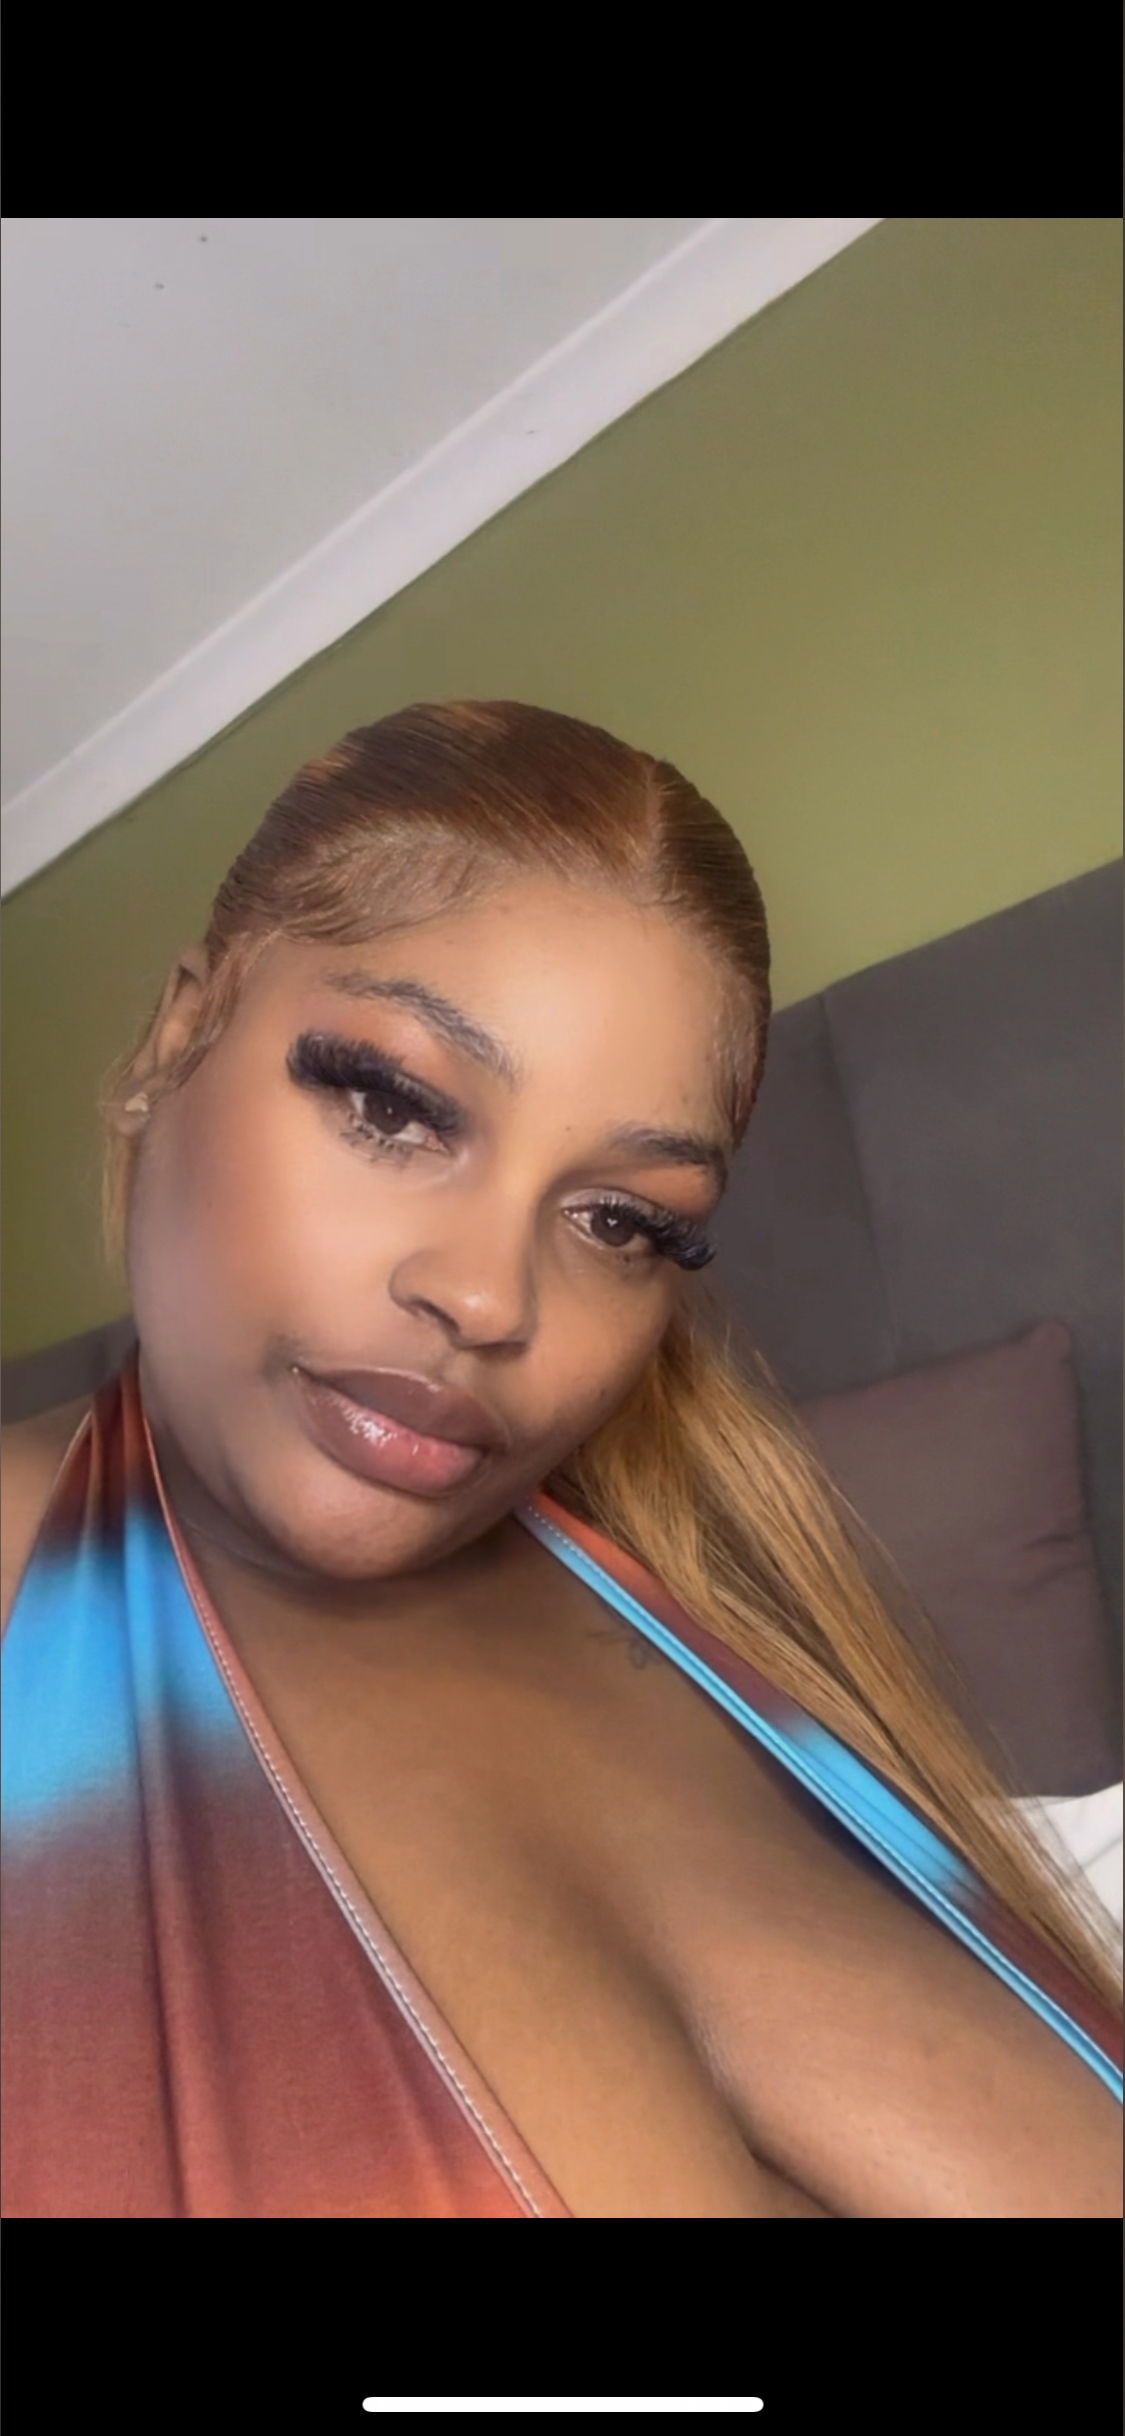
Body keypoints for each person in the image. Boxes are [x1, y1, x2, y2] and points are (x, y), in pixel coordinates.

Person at [2, 700, 1120, 2220]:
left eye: (620, 1221)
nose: (488, 1297)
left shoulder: (741, 1643)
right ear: (176, 1037)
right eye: (393, 1108)